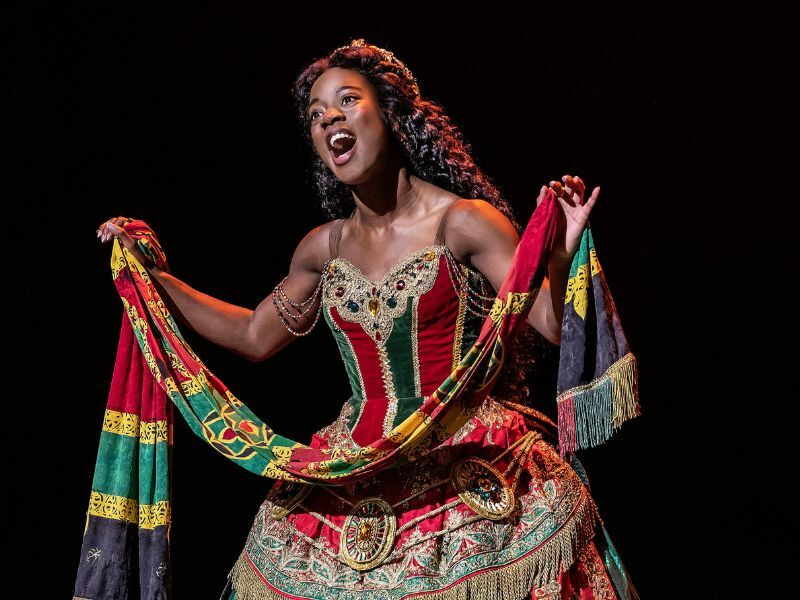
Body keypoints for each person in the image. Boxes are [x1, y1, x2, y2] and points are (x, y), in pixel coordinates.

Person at [96, 39, 637, 600]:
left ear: (392, 115)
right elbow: (255, 335)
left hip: (466, 460)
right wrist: (154, 281)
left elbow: (550, 325)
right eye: (315, 113)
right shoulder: (323, 249)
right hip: (352, 470)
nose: (329, 117)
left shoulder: (463, 223)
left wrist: (558, 255)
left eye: (347, 101)